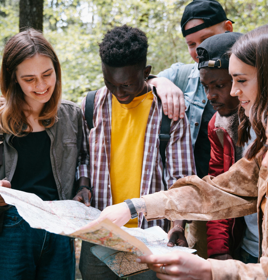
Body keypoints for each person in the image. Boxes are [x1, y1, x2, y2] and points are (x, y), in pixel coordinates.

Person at [86, 24, 268, 279]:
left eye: (241, 80)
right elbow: (220, 191)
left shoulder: (168, 113)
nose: (235, 91)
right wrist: (136, 206)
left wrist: (209, 269)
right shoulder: (257, 148)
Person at [0, 29, 82, 280]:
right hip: (9, 230)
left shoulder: (72, 116)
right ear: (13, 78)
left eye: (47, 74)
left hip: (60, 228)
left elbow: (84, 164)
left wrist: (83, 190)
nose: (41, 85)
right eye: (29, 79)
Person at [75, 25, 195, 280]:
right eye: (110, 83)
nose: (119, 93)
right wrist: (83, 186)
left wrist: (177, 225)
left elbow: (181, 179)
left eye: (127, 84)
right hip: (101, 236)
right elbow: (83, 157)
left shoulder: (168, 112)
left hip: (150, 239)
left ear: (146, 72)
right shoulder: (90, 105)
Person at [149, 0, 235, 255]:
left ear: (228, 29)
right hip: (203, 198)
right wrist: (161, 83)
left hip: (242, 192)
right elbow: (141, 78)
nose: (199, 50)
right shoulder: (184, 76)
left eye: (206, 39)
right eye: (191, 44)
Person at [197, 32, 260, 263]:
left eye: (220, 85)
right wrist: (218, 251)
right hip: (248, 247)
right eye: (205, 87)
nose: (211, 96)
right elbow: (219, 188)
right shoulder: (218, 126)